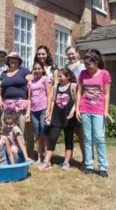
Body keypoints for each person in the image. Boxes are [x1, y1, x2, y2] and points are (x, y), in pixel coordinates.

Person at [76, 49, 112, 177]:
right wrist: (77, 109)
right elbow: (79, 92)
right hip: (85, 109)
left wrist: (105, 111)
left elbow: (107, 94)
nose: (87, 68)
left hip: (98, 110)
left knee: (99, 138)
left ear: (96, 62)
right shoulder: (82, 74)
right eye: (85, 65)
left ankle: (103, 167)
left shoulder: (104, 74)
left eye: (89, 65)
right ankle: (89, 165)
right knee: (87, 138)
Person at [37, 68, 76, 171]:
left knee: (69, 140)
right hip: (56, 117)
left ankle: (66, 162)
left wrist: (72, 112)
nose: (58, 78)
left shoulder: (73, 86)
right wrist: (49, 113)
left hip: (69, 118)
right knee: (52, 139)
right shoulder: (55, 87)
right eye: (58, 76)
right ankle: (46, 162)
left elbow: (77, 101)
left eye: (61, 76)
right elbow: (53, 101)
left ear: (67, 77)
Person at [0, 52, 33, 154]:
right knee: (5, 129)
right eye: (11, 59)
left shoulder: (24, 71)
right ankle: (6, 152)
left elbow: (32, 83)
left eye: (16, 59)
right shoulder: (3, 74)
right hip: (7, 105)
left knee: (22, 131)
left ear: (19, 61)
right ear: (7, 61)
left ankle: (25, 153)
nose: (13, 60)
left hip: (20, 105)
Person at [26, 61, 52, 164]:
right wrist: (28, 113)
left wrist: (48, 110)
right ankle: (39, 158)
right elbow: (29, 98)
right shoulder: (30, 82)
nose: (37, 71)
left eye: (39, 69)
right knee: (37, 135)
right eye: (35, 69)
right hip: (34, 111)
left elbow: (49, 95)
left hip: (43, 109)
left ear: (42, 70)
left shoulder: (46, 79)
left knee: (44, 135)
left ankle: (46, 159)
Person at [65, 46, 85, 163]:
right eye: (68, 54)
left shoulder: (83, 67)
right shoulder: (66, 68)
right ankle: (68, 159)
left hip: (80, 102)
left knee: (80, 132)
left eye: (72, 54)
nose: (71, 56)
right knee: (69, 132)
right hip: (67, 103)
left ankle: (85, 159)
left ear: (78, 53)